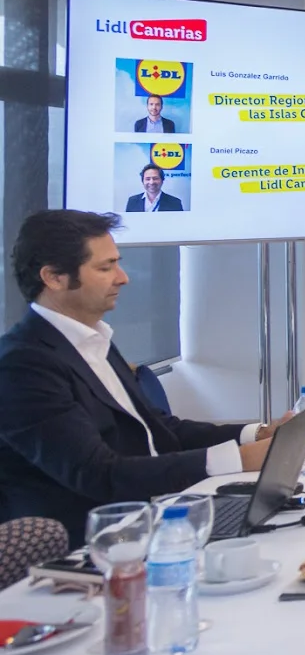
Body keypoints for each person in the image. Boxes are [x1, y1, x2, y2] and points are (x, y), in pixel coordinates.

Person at [0, 210, 278, 546]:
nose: (123, 278)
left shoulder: (94, 339)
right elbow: (98, 473)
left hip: (153, 518)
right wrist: (239, 460)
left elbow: (160, 430)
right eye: (105, 268)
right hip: (92, 545)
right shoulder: (22, 364)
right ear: (54, 277)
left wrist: (257, 434)